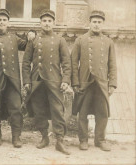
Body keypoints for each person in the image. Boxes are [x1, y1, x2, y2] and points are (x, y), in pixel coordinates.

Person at [0, 9, 35, 148]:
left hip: (13, 81)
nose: (2, 22)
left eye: (4, 20)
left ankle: (16, 137)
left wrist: (31, 34)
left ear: (8, 22)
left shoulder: (13, 38)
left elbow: (28, 45)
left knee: (16, 108)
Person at [22, 9, 71, 155]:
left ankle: (60, 140)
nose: (47, 23)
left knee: (57, 110)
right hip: (37, 81)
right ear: (40, 23)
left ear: (53, 23)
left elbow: (66, 63)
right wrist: (27, 81)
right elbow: (25, 63)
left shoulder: (60, 40)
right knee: (39, 110)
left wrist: (66, 80)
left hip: (55, 82)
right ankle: (44, 137)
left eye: (49, 21)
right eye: (44, 21)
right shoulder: (33, 40)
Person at [71, 10, 117, 151]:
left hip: (102, 83)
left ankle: (100, 140)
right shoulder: (80, 40)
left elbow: (112, 64)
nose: (96, 25)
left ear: (102, 24)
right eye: (94, 22)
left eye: (99, 22)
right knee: (83, 113)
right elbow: (73, 63)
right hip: (85, 81)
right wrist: (75, 82)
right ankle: (83, 140)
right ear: (89, 23)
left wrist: (113, 83)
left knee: (102, 113)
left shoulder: (108, 42)